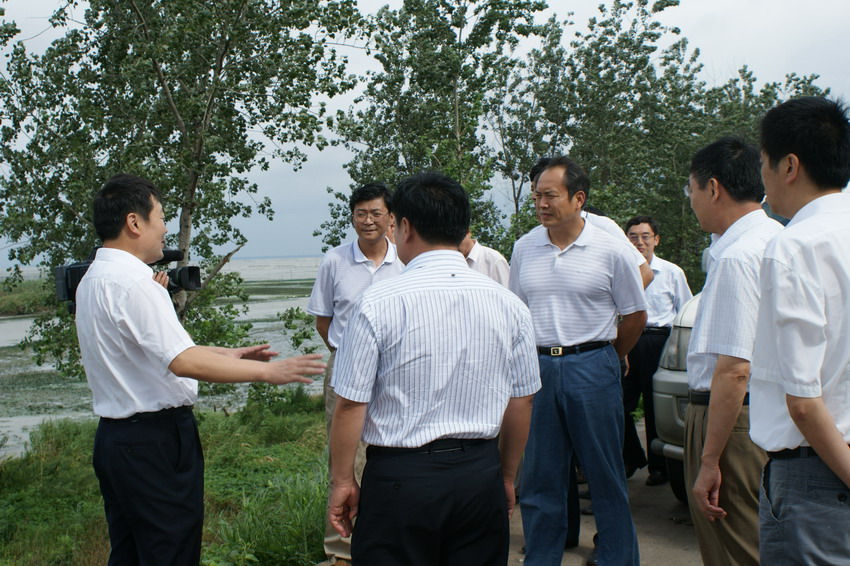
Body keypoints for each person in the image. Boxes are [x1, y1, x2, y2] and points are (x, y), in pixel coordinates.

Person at [74, 174, 326, 566]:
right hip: (155, 442)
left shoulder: (93, 279)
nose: (165, 228)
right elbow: (182, 361)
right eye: (160, 217)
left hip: (117, 440)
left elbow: (155, 350)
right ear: (134, 222)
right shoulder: (136, 284)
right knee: (170, 551)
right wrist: (268, 373)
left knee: (129, 552)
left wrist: (229, 354)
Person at [327, 172, 540, 566]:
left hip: (400, 480)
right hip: (479, 474)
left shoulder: (376, 303)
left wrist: (342, 480)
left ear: (405, 227)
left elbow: (352, 403)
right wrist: (506, 476)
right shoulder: (510, 305)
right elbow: (522, 400)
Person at [512, 155, 647, 566]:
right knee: (540, 476)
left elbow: (635, 315)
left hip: (592, 364)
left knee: (604, 473)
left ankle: (617, 558)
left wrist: (609, 357)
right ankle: (542, 557)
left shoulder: (612, 249)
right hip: (539, 369)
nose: (541, 204)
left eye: (550, 195)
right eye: (537, 196)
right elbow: (517, 313)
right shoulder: (524, 247)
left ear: (578, 198)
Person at [750, 96, 850, 563]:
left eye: (763, 163)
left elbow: (804, 402)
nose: (762, 179)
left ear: (789, 165)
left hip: (819, 478)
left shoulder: (793, 246)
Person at [683, 137, 783, 565]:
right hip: (764, 412)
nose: (690, 200)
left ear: (713, 188)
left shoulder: (737, 257)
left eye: (690, 188)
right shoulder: (777, 238)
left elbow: (734, 369)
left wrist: (709, 460)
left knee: (735, 546)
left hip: (731, 421)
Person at [306, 182, 403, 566]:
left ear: (391, 218)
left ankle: (389, 541)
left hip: (396, 370)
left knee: (396, 450)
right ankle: (341, 552)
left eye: (376, 213)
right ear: (352, 217)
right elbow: (323, 320)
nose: (367, 220)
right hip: (345, 367)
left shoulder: (405, 260)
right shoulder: (335, 261)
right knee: (344, 457)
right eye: (360, 213)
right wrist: (345, 353)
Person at [623, 216, 693, 486]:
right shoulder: (622, 271)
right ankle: (631, 457)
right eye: (633, 237)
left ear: (656, 240)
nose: (639, 242)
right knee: (619, 404)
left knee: (656, 406)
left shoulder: (672, 272)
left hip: (659, 342)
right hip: (628, 341)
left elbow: (685, 311)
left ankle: (659, 467)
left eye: (645, 236)